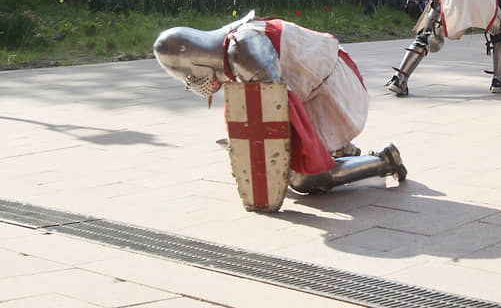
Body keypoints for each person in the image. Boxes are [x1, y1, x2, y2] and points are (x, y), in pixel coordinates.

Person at [152, 12, 407, 196]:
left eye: (190, 76)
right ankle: (342, 149)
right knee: (297, 165)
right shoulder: (234, 45)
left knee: (305, 178)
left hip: (331, 85)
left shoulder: (243, 50)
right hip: (314, 84)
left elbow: (275, 110)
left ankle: (384, 160)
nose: (194, 82)